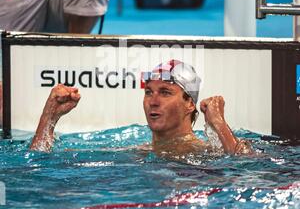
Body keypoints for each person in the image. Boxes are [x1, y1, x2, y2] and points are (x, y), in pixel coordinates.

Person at [30, 59, 252, 157]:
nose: (153, 101)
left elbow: (247, 169)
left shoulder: (207, 152)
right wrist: (50, 117)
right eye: (148, 92)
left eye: (165, 92)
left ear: (189, 103)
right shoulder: (135, 152)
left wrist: (219, 125)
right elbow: (39, 161)